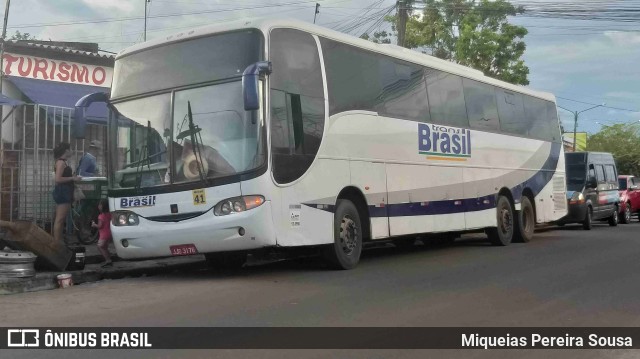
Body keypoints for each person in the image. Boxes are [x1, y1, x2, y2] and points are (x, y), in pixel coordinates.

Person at [52, 142, 80, 244]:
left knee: (61, 218)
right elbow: (58, 179)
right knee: (60, 219)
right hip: (63, 191)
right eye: (71, 149)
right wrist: (72, 178)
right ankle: (57, 242)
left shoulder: (63, 162)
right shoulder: (61, 162)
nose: (72, 151)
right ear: (66, 150)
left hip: (65, 190)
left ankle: (58, 241)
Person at [92, 199, 113, 267]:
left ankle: (108, 260)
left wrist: (94, 224)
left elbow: (100, 226)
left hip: (103, 234)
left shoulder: (101, 216)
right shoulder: (110, 214)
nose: (98, 206)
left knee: (100, 246)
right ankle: (109, 258)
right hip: (109, 233)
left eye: (100, 205)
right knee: (105, 247)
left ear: (103, 207)